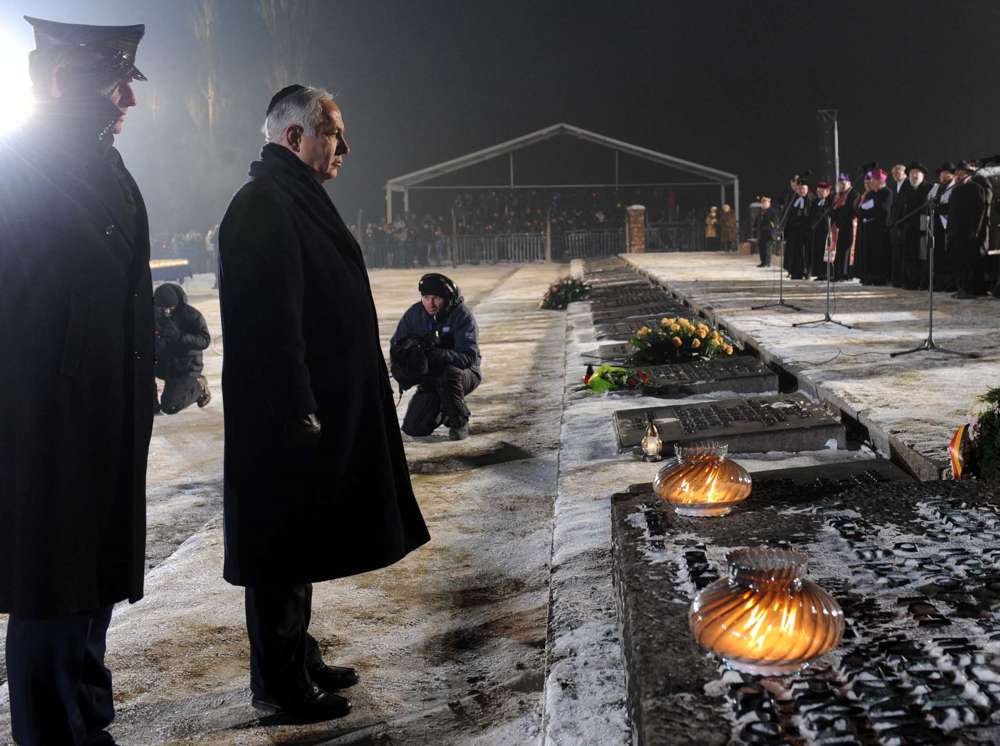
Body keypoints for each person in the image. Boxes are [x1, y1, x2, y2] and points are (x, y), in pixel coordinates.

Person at [218, 84, 430, 720]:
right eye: (333, 132)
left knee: (300, 535)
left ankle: (295, 652)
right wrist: (296, 405)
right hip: (283, 414)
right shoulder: (262, 205)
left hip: (312, 407)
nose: (344, 146)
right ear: (293, 138)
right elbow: (268, 325)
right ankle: (277, 684)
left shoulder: (292, 197)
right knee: (278, 545)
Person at [0, 17, 153, 746]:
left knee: (90, 593)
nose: (129, 99)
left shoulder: (107, 171)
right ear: (61, 84)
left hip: (104, 430)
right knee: (49, 596)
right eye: (114, 83)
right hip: (40, 439)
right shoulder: (16, 172)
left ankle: (84, 728)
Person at [390, 273, 482, 441]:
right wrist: (407, 359)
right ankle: (445, 410)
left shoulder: (462, 315)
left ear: (447, 297)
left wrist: (438, 353)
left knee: (448, 374)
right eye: (426, 297)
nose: (430, 303)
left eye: (436, 298)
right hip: (430, 377)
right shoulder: (414, 314)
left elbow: (469, 357)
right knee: (414, 428)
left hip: (463, 375)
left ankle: (458, 421)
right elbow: (396, 345)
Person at [153, 283, 211, 414]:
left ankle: (199, 387)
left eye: (170, 308)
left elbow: (205, 340)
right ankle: (151, 405)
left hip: (186, 367)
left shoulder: (191, 315)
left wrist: (181, 337)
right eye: (163, 308)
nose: (167, 311)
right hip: (166, 365)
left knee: (170, 406)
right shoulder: (156, 316)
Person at [947, 161, 990, 298]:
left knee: (970, 262)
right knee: (959, 261)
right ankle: (962, 288)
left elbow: (981, 212)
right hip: (956, 232)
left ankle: (971, 290)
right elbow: (951, 212)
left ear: (968, 175)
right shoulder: (955, 190)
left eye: (961, 173)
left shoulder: (976, 188)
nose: (958, 176)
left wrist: (975, 231)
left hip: (970, 232)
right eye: (957, 174)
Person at [855, 169, 894, 285]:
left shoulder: (887, 193)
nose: (871, 182)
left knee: (879, 255)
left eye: (874, 180)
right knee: (869, 254)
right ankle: (868, 276)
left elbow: (883, 210)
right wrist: (866, 212)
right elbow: (860, 209)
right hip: (868, 229)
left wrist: (868, 212)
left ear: (880, 181)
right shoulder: (870, 193)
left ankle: (879, 277)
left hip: (880, 229)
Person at [899, 162, 932, 289]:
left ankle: (923, 282)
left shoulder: (929, 187)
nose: (914, 176)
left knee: (922, 255)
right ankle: (910, 282)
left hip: (923, 224)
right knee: (909, 255)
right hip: (908, 226)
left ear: (922, 175)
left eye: (916, 173)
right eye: (912, 173)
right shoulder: (906, 188)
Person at [928, 162, 957, 291]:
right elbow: (929, 202)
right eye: (941, 174)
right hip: (935, 225)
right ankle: (937, 283)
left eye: (946, 173)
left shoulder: (955, 187)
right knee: (936, 254)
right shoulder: (935, 187)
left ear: (952, 175)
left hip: (948, 225)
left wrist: (938, 207)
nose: (943, 176)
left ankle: (948, 284)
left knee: (947, 254)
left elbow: (951, 206)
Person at [830, 174, 859, 281]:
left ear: (849, 183)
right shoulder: (838, 196)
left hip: (849, 225)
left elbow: (852, 209)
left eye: (844, 183)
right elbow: (833, 210)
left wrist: (840, 211)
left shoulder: (854, 194)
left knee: (847, 250)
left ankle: (845, 274)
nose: (842, 186)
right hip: (840, 226)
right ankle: (837, 273)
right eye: (840, 184)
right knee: (839, 251)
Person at [784, 181, 814, 279]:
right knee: (795, 252)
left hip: (805, 231)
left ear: (807, 190)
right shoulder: (793, 200)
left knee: (805, 252)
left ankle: (806, 271)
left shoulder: (810, 200)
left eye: (804, 189)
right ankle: (795, 272)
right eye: (800, 189)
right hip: (794, 231)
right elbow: (788, 214)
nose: (802, 191)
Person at [809, 181, 833, 278]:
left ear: (827, 191)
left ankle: (827, 273)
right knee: (818, 252)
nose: (819, 193)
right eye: (818, 191)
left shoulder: (830, 201)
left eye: (821, 191)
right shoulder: (815, 202)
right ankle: (819, 273)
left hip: (826, 230)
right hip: (817, 231)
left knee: (826, 253)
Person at [752, 196, 777, 267]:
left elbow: (774, 222)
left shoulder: (772, 211)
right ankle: (763, 262)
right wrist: (754, 228)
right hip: (761, 233)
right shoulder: (761, 212)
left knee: (767, 248)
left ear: (769, 203)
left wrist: (771, 227)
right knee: (761, 248)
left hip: (769, 233)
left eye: (765, 203)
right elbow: (757, 221)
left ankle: (767, 263)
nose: (763, 204)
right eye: (763, 203)